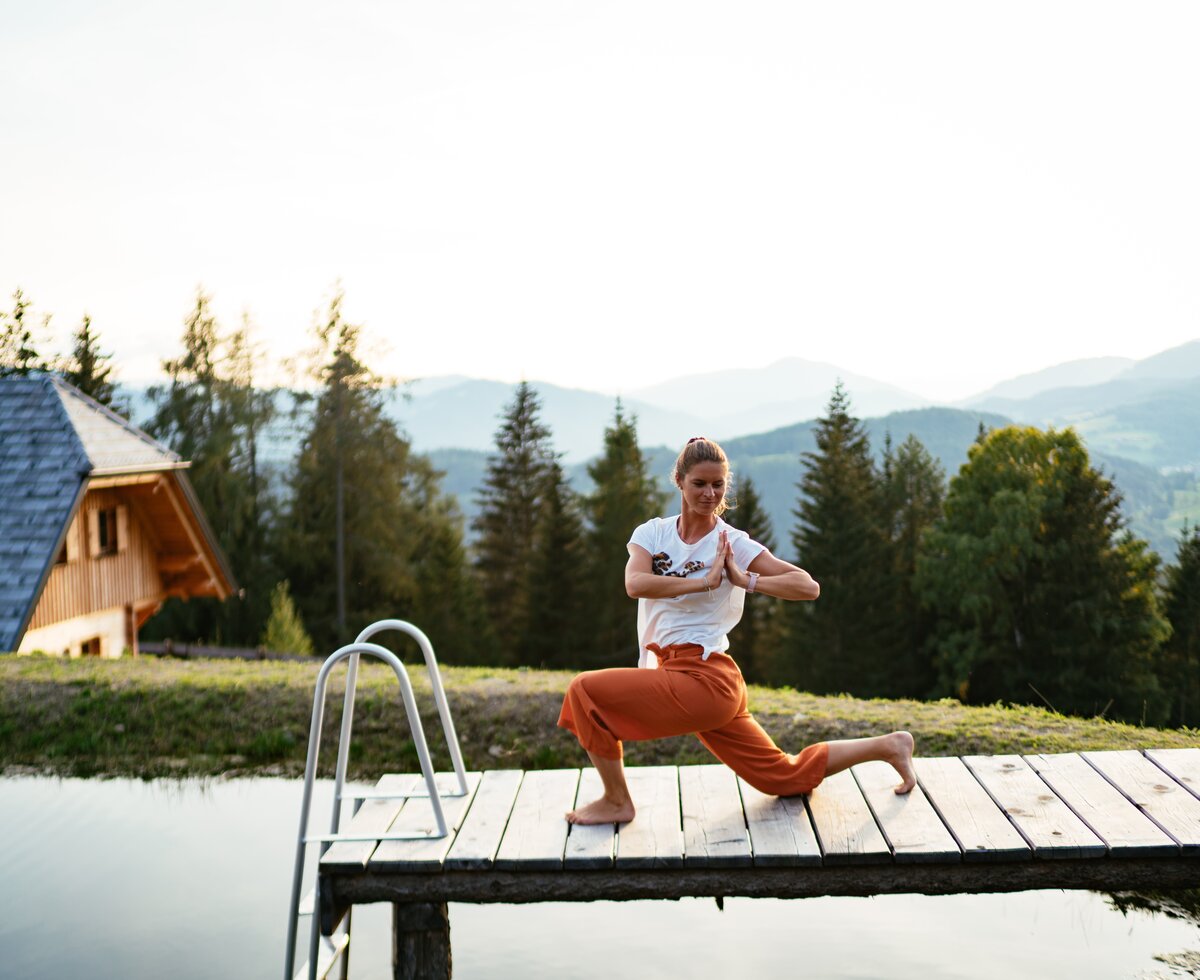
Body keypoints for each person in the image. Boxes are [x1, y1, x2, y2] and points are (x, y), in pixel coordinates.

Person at [558, 436, 916, 825]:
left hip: (705, 679)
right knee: (785, 777)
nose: (710, 494)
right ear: (679, 480)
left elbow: (807, 586)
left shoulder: (732, 543)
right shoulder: (653, 534)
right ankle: (889, 745)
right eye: (699, 484)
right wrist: (704, 582)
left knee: (585, 691)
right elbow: (636, 584)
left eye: (718, 484)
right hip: (688, 679)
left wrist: (746, 580)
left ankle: (616, 801)